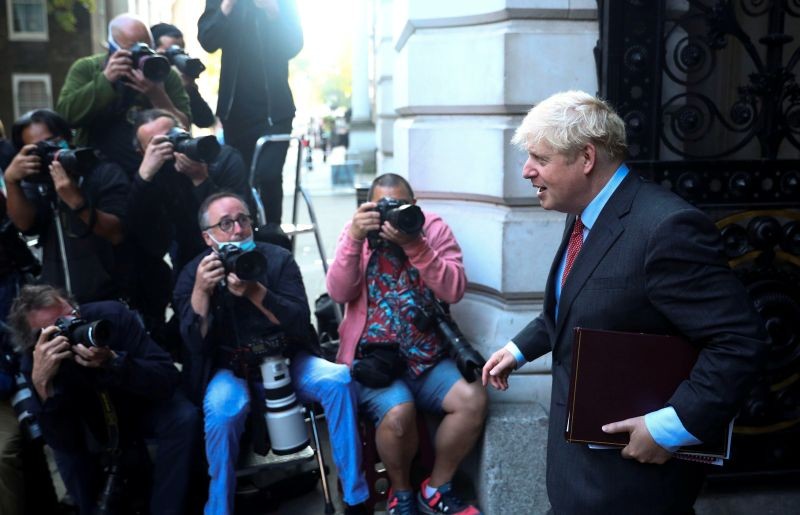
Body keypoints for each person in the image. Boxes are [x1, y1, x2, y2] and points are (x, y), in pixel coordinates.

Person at [481, 91, 768, 514]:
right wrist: (518, 349)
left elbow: (739, 342)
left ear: (586, 157)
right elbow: (576, 302)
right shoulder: (582, 212)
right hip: (577, 476)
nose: (527, 171)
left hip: (631, 485)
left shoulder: (666, 228)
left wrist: (670, 428)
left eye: (540, 158)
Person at [173, 192, 370, 515]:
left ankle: (355, 497)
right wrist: (201, 292)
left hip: (289, 359)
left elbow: (297, 321)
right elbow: (194, 346)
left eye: (243, 219)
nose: (238, 230)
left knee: (338, 379)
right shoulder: (195, 273)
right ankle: (219, 508)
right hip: (231, 369)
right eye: (225, 224)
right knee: (224, 411)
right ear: (207, 237)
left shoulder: (277, 259)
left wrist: (256, 292)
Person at [326, 173, 487, 515]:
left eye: (399, 205)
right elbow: (339, 292)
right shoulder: (357, 232)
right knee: (399, 414)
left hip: (426, 357)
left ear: (414, 205)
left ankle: (436, 487)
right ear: (367, 207)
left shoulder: (432, 228)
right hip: (375, 361)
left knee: (472, 399)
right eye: (381, 207)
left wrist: (416, 245)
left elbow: (454, 289)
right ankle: (402, 493)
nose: (390, 215)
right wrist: (355, 238)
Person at [7, 284, 200, 515]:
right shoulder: (36, 362)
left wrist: (115, 362)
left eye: (72, 316)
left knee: (183, 417)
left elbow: (167, 377)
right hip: (88, 423)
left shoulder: (110, 316)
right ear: (36, 340)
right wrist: (42, 386)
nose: (71, 326)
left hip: (137, 402)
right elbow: (61, 441)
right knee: (68, 457)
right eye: (58, 328)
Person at [3, 109, 128, 303]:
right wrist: (12, 181)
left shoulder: (103, 172)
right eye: (38, 148)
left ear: (67, 136)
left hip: (111, 296)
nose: (48, 150)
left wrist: (76, 201)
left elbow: (116, 233)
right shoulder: (37, 181)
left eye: (52, 141)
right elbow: (25, 225)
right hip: (60, 303)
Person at [198, 0, 303, 224]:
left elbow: (293, 45)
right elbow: (207, 41)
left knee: (268, 177)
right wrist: (226, 7)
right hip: (235, 112)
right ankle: (247, 238)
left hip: (276, 111)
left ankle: (274, 238)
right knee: (241, 181)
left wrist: (272, 10)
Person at [56, 13, 191, 177]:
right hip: (98, 170)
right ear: (112, 48)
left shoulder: (164, 74)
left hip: (155, 170)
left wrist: (156, 94)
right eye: (132, 49)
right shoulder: (88, 68)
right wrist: (106, 80)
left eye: (147, 47)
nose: (142, 55)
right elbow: (65, 116)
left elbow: (184, 127)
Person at [150, 22, 216, 129]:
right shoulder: (139, 76)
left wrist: (189, 89)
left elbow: (205, 120)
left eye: (179, 50)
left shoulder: (183, 77)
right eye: (167, 52)